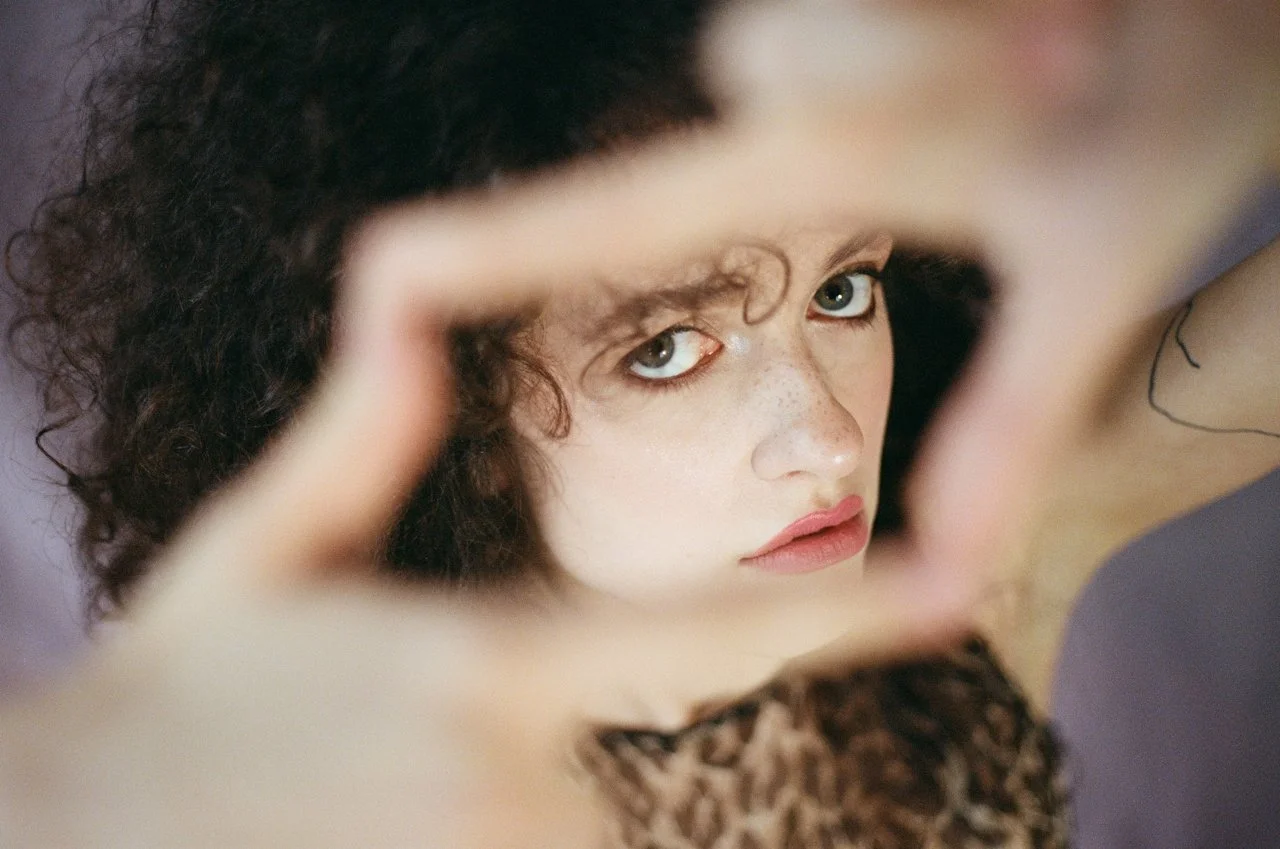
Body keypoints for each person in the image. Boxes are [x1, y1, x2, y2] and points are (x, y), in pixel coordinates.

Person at [0, 1, 1276, 846]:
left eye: (844, 289)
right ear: (455, 422)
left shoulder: (963, 582)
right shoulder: (348, 806)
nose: (830, 441)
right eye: (665, 349)